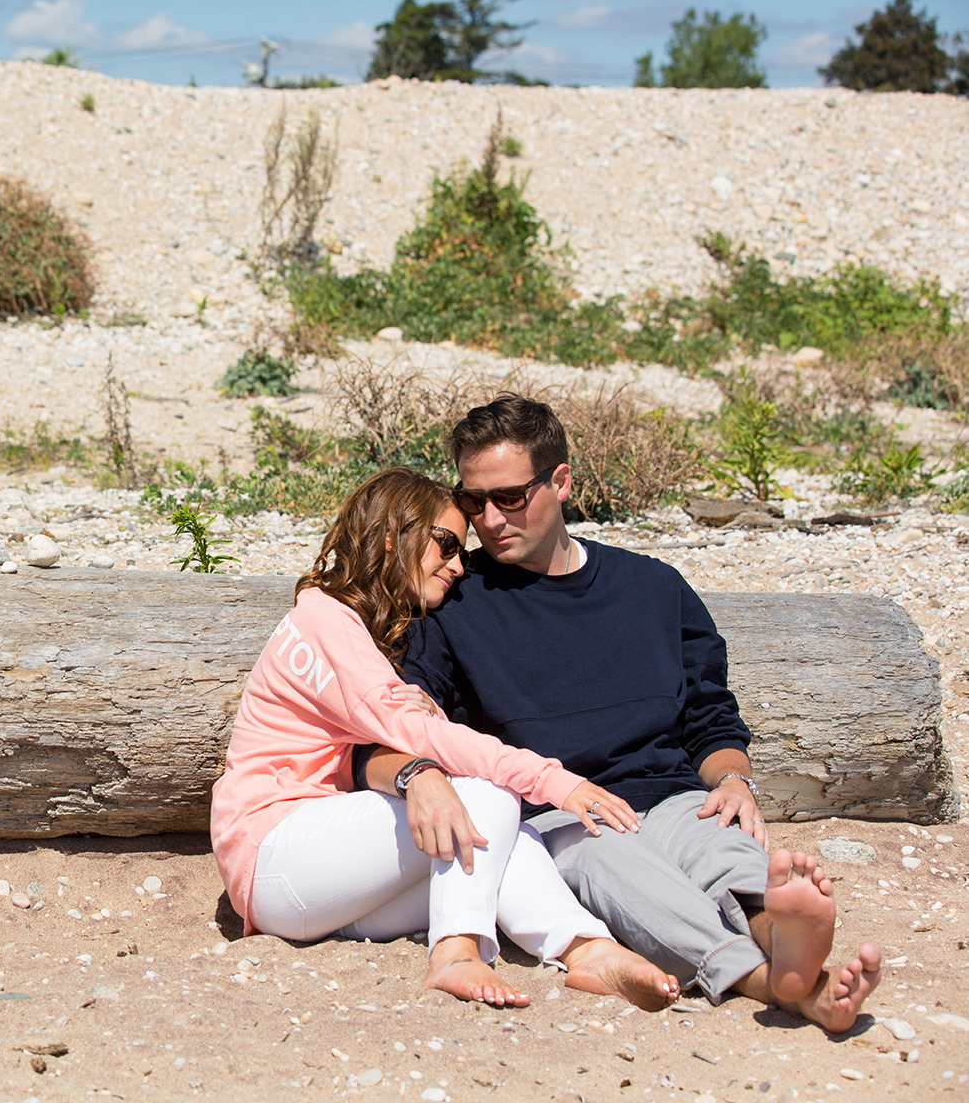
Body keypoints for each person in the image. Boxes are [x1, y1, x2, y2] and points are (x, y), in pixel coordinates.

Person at [355, 394, 880, 1031]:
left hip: (671, 792)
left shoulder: (653, 587)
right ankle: (786, 985)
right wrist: (420, 764)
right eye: (472, 502)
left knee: (722, 848)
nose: (488, 520)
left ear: (561, 482)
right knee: (625, 871)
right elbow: (401, 722)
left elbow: (709, 712)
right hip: (558, 816)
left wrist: (734, 781)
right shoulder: (454, 602)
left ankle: (783, 933)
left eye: (510, 498)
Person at [210, 466, 679, 1010]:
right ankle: (455, 952)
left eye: (462, 549)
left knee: (502, 841)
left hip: (329, 884)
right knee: (485, 798)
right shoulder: (325, 619)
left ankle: (588, 950)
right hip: (273, 855)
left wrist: (424, 717)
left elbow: (401, 725)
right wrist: (553, 779)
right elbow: (413, 732)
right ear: (392, 536)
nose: (459, 565)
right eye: (446, 544)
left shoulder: (365, 624)